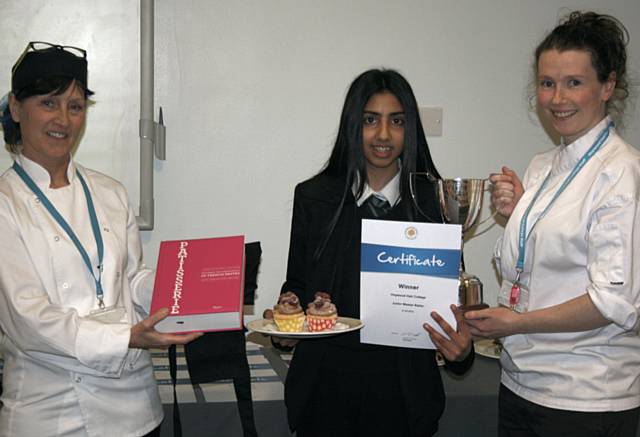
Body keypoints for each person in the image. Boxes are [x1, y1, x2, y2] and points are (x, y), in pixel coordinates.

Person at [0, 42, 202, 437]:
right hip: (50, 414)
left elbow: (130, 279)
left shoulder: (110, 191)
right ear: (16, 107)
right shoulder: (5, 203)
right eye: (49, 102)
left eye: (75, 107)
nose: (64, 119)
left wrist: (190, 289)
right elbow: (26, 319)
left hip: (136, 412)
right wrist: (126, 336)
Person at [465, 11, 640, 437]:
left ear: (608, 86)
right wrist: (519, 216)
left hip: (585, 398)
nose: (557, 97)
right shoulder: (545, 166)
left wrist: (517, 322)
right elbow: (544, 265)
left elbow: (612, 303)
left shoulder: (622, 173)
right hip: (523, 384)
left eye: (574, 82)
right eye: (547, 83)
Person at [274, 69, 473, 437]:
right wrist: (284, 327)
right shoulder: (315, 198)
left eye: (396, 121)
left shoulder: (436, 203)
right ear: (353, 125)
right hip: (324, 397)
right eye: (370, 120)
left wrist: (461, 351)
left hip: (405, 400)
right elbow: (297, 288)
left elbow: (452, 310)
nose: (383, 135)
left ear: (410, 128)